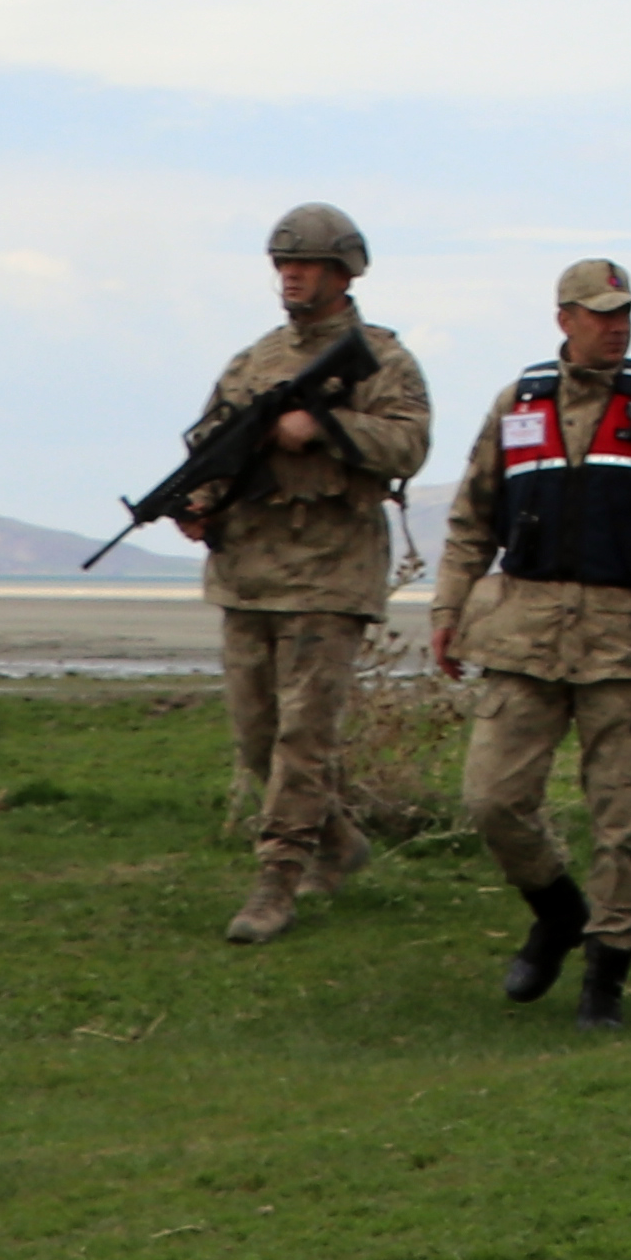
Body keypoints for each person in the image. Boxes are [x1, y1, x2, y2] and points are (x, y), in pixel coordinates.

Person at [423, 258, 631, 1029]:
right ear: (564, 319)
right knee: (492, 799)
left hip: (628, 642)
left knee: (620, 820)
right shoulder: (519, 403)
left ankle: (605, 979)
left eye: (625, 313)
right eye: (601, 313)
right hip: (522, 635)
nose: (617, 325)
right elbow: (473, 517)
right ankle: (558, 911)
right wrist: (449, 611)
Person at [192, 203, 436, 945]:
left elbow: (408, 445)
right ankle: (336, 839)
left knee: (304, 738)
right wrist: (197, 501)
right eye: (282, 265)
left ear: (343, 272)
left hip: (329, 576)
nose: (290, 276)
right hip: (249, 573)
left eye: (305, 264)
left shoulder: (381, 359)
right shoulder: (254, 360)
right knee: (258, 738)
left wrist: (323, 427)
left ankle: (277, 880)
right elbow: (209, 441)